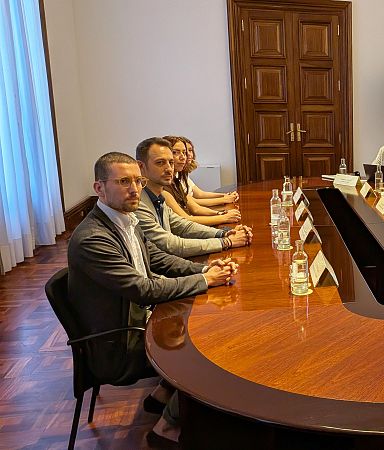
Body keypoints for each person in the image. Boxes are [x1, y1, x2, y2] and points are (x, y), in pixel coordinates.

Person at [67, 152, 239, 443]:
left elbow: (158, 260)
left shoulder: (126, 218)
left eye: (138, 180)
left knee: (213, 319)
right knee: (211, 344)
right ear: (99, 188)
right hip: (118, 342)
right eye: (124, 181)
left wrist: (205, 268)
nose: (134, 189)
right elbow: (142, 289)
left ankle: (164, 395)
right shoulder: (93, 238)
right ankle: (166, 429)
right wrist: (203, 280)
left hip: (138, 315)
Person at [134, 137, 252, 258]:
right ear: (140, 166)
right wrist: (226, 241)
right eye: (160, 162)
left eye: (170, 162)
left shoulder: (158, 196)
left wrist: (224, 233)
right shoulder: (139, 203)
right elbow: (170, 245)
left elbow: (183, 225)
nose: (169, 168)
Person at [161, 135, 241, 227]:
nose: (184, 157)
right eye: (175, 152)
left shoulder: (176, 180)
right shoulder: (163, 188)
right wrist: (223, 216)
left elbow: (195, 207)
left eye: (185, 152)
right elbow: (186, 219)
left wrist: (221, 213)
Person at [182, 136, 239, 207]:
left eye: (190, 150)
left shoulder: (184, 174)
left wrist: (226, 195)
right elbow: (192, 203)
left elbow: (200, 194)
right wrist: (224, 199)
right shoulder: (175, 178)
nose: (188, 154)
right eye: (184, 152)